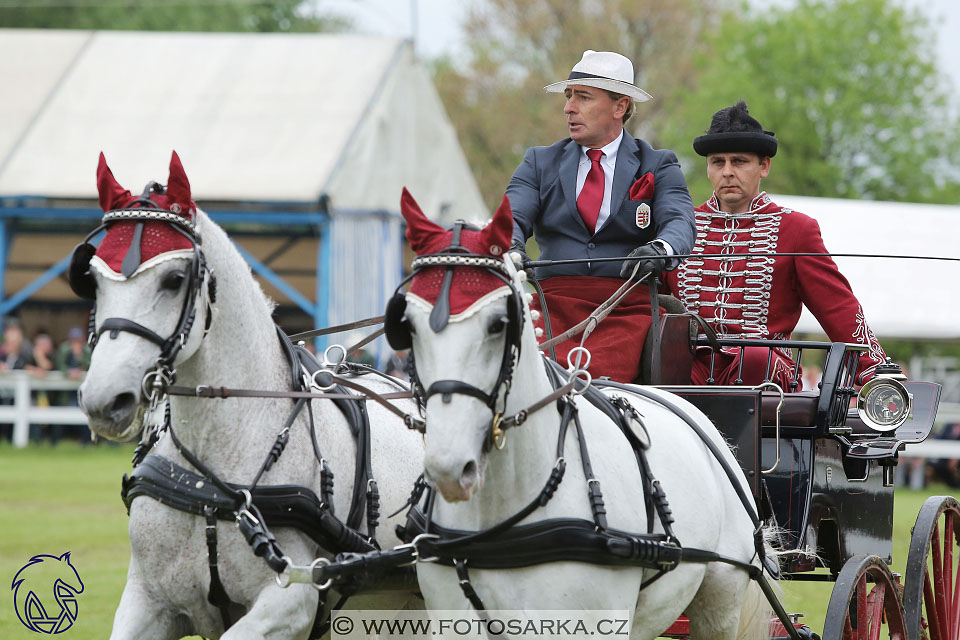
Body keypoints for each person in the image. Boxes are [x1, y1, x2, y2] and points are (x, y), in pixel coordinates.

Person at [663, 100, 887, 388]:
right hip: (690, 365)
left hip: (766, 369)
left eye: (739, 161)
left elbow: (838, 307)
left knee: (754, 357)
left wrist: (876, 373)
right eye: (718, 162)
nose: (727, 171)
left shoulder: (796, 229)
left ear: (764, 166)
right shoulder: (680, 226)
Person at [507, 50, 696, 382]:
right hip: (550, 307)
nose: (569, 107)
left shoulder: (658, 164)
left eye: (583, 97)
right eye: (568, 97)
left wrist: (660, 249)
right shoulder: (539, 162)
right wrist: (511, 246)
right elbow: (511, 215)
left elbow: (680, 221)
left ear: (620, 107)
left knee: (594, 386)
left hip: (625, 309)